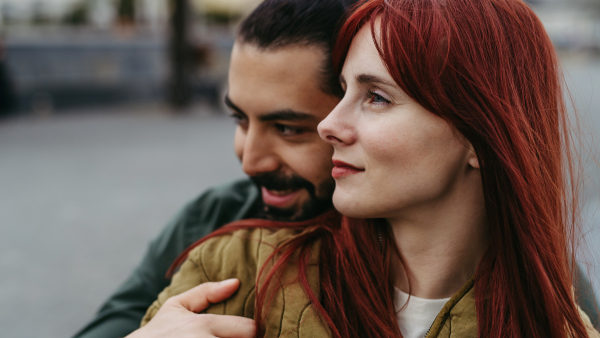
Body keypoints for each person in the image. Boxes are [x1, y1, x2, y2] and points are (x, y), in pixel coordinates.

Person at [139, 0, 600, 337]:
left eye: (375, 97)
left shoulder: (554, 319)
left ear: (482, 137)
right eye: (342, 91)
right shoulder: (233, 270)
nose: (329, 125)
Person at [72, 1, 358, 337]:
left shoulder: (419, 255)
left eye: (287, 128)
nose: (250, 162)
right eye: (240, 119)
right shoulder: (211, 218)